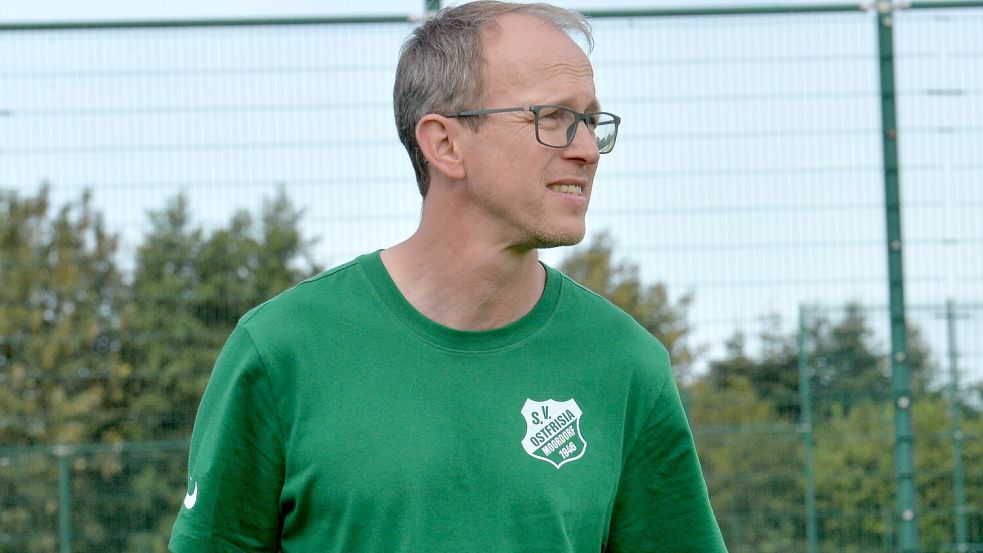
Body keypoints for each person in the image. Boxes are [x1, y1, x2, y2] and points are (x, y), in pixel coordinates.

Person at [168, 2, 727, 551]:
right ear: (444, 144)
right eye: (552, 118)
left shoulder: (626, 365)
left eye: (589, 121)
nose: (586, 150)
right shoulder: (281, 351)